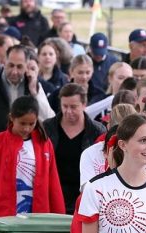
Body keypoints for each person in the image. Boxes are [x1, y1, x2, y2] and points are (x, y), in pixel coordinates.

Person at [0, 96, 65, 233]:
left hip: (37, 216)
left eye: (31, 123)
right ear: (11, 118)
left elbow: (53, 184)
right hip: (3, 217)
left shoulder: (44, 143)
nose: (27, 128)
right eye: (22, 123)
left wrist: (60, 222)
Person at [0, 45, 55, 149]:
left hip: (28, 155)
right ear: (4, 62)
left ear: (27, 66)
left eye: (19, 67)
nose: (14, 71)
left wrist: (35, 92)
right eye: (11, 65)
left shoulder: (34, 86)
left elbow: (50, 120)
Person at [44, 83, 106, 214]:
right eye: (64, 106)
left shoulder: (97, 130)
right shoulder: (48, 127)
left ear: (84, 105)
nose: (68, 111)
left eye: (73, 107)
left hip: (83, 196)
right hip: (53, 193)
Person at [88, 33, 119, 98]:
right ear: (90, 48)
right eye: (96, 53)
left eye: (101, 54)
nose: (99, 56)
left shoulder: (114, 61)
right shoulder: (85, 61)